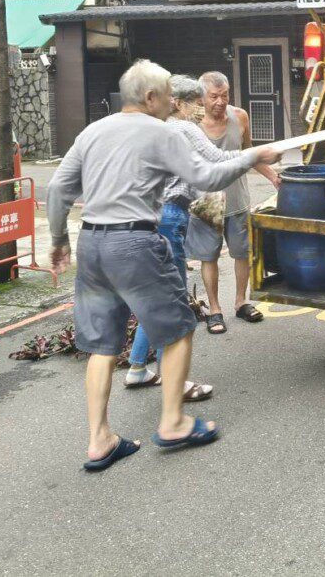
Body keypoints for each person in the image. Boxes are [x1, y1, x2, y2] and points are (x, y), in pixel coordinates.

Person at [47, 60, 280, 471]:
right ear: (151, 97)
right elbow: (206, 177)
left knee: (103, 345)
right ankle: (173, 422)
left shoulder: (93, 130)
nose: (173, 101)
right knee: (177, 329)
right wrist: (253, 156)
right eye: (168, 94)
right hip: (135, 240)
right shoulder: (161, 131)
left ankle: (99, 439)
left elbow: (59, 188)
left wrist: (58, 240)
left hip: (93, 243)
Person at [125, 74, 246, 395]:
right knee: (174, 300)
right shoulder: (183, 128)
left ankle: (137, 368)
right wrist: (257, 155)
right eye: (194, 102)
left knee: (155, 296)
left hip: (149, 216)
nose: (200, 109)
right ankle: (174, 382)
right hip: (170, 216)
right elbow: (218, 159)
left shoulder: (157, 128)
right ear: (177, 103)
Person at [194, 71, 280, 335]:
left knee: (242, 253)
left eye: (225, 95)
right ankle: (215, 309)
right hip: (205, 205)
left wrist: (275, 177)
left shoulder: (240, 116)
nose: (220, 102)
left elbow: (249, 153)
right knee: (208, 257)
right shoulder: (190, 124)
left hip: (238, 199)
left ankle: (241, 301)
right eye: (214, 97)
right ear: (202, 98)